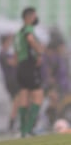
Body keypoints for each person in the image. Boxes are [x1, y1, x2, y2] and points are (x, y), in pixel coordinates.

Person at [14, 7, 44, 137]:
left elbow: (16, 53)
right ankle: (29, 128)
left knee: (24, 96)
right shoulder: (28, 28)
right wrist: (39, 52)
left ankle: (23, 132)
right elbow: (31, 39)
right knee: (38, 96)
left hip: (21, 66)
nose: (36, 19)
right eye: (34, 16)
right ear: (29, 17)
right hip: (29, 65)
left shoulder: (18, 33)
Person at [0, 34, 20, 132]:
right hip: (11, 81)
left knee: (16, 102)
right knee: (17, 101)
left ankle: (13, 123)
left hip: (13, 80)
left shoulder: (6, 53)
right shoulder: (2, 54)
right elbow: (13, 62)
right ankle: (11, 124)